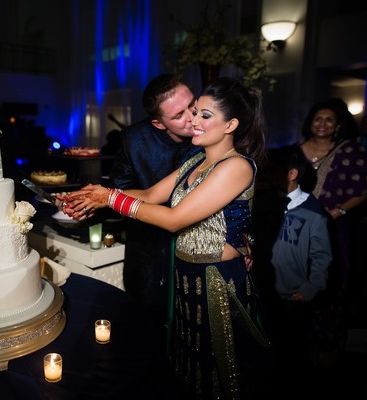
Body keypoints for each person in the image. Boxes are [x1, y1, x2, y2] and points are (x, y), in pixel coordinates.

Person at [58, 77, 272, 399]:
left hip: (217, 281)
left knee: (223, 369)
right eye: (194, 112)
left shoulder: (236, 166)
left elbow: (174, 220)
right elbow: (149, 194)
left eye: (204, 115)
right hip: (185, 277)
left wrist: (110, 198)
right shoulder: (197, 160)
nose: (194, 121)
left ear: (231, 125)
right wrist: (91, 195)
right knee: (189, 362)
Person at [107, 73, 198, 348]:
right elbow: (120, 191)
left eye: (192, 104)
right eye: (179, 115)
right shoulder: (134, 139)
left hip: (197, 247)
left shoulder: (212, 132)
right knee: (146, 331)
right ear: (158, 123)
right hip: (147, 248)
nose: (192, 117)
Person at [277, 98, 366, 366]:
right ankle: (290, 347)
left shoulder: (352, 153)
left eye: (329, 119)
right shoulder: (293, 152)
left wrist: (336, 212)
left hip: (331, 228)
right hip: (291, 227)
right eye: (318, 118)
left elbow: (363, 190)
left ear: (338, 125)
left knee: (330, 281)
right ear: (310, 122)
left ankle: (324, 348)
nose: (323, 124)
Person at [269, 152, 332, 393]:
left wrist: (310, 288)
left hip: (294, 297)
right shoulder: (268, 203)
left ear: (292, 174)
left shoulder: (313, 212)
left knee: (292, 357)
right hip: (266, 292)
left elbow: (322, 255)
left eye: (272, 171)